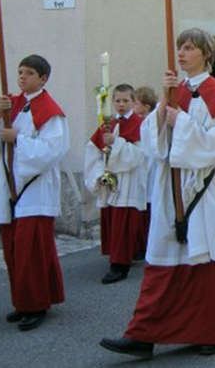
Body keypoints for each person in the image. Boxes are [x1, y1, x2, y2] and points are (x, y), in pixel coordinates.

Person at [100, 28, 215, 359]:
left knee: (205, 260)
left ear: (206, 54)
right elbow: (153, 143)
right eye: (180, 47)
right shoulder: (175, 90)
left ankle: (209, 331)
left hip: (201, 187)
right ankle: (142, 334)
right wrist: (166, 115)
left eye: (190, 48)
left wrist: (180, 122)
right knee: (162, 261)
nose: (181, 53)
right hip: (170, 186)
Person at [0, 54, 68, 331]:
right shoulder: (11, 104)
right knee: (14, 249)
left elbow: (52, 150)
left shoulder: (51, 111)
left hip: (34, 189)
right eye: (20, 72)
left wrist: (18, 138)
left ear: (42, 78)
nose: (22, 77)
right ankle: (23, 301)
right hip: (9, 186)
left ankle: (36, 304)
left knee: (32, 251)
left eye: (29, 73)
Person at [84, 83, 146, 284]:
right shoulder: (107, 124)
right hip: (111, 180)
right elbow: (92, 148)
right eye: (117, 100)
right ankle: (117, 255)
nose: (121, 104)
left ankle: (120, 265)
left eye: (125, 100)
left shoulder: (139, 123)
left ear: (134, 102)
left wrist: (116, 144)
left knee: (124, 221)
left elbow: (139, 155)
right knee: (113, 219)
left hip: (128, 180)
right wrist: (98, 173)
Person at [132, 86, 158, 259]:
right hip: (146, 168)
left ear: (146, 106)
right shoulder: (145, 120)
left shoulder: (152, 121)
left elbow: (150, 148)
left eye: (135, 103)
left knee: (151, 207)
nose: (134, 106)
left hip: (153, 169)